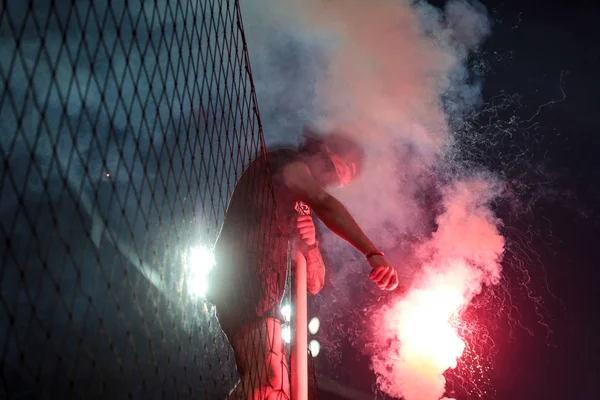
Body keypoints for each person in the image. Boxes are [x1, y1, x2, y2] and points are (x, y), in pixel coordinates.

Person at [206, 129, 399, 400]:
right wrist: (372, 252)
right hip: (241, 279)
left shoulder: (304, 206)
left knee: (275, 391)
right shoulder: (285, 161)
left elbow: (315, 283)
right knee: (269, 381)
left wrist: (311, 247)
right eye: (333, 170)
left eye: (338, 181)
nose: (330, 182)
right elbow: (324, 202)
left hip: (263, 295)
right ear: (321, 152)